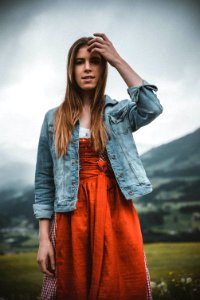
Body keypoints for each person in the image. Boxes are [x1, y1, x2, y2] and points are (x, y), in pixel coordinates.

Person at [33, 33, 163, 300]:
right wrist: (44, 240)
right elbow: (44, 182)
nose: (88, 68)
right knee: (74, 287)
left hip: (116, 213)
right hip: (71, 217)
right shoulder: (53, 119)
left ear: (104, 68)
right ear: (71, 69)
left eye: (96, 61)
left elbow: (152, 107)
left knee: (123, 285)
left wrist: (117, 60)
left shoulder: (119, 113)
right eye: (80, 62)